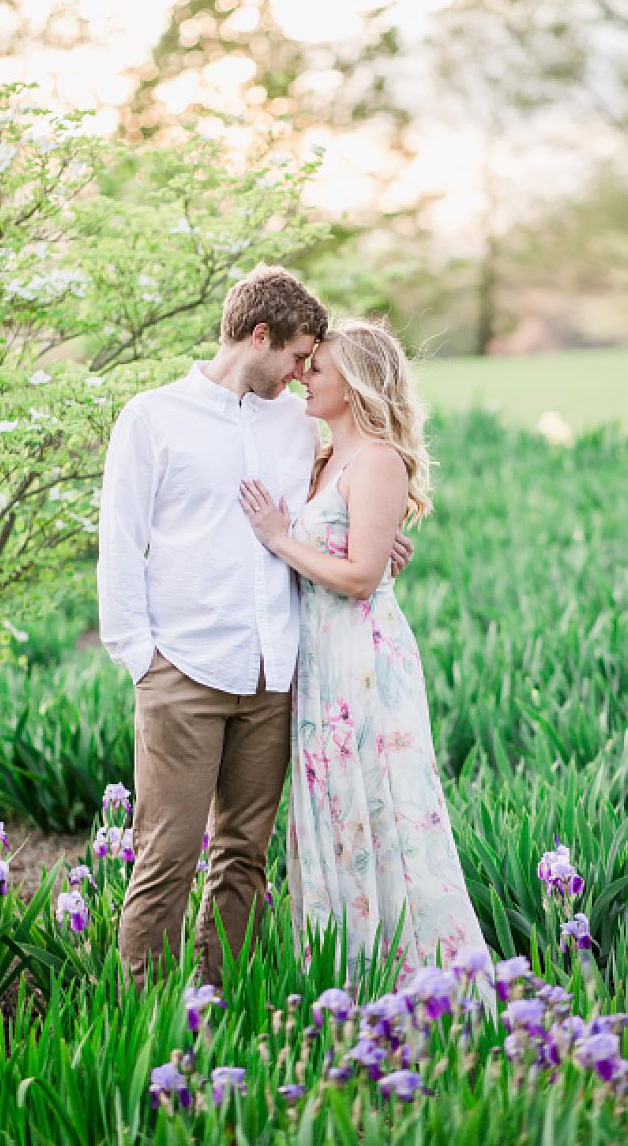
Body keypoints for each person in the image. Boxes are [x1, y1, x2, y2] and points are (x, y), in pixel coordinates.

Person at [96, 266, 411, 988]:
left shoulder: (298, 426)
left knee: (244, 856)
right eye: (300, 356)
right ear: (260, 336)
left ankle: (219, 1008)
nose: (307, 373)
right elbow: (119, 545)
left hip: (276, 672)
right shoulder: (152, 418)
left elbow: (343, 502)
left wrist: (377, 541)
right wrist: (142, 659)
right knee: (166, 853)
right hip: (184, 671)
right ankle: (147, 1019)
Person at [239, 318, 494, 993]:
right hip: (320, 662)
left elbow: (356, 578)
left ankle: (421, 985)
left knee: (380, 809)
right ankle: (349, 982)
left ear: (351, 385)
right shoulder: (325, 460)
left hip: (363, 663)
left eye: (316, 368)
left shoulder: (378, 458)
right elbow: (361, 553)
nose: (303, 375)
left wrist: (278, 538)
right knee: (332, 811)